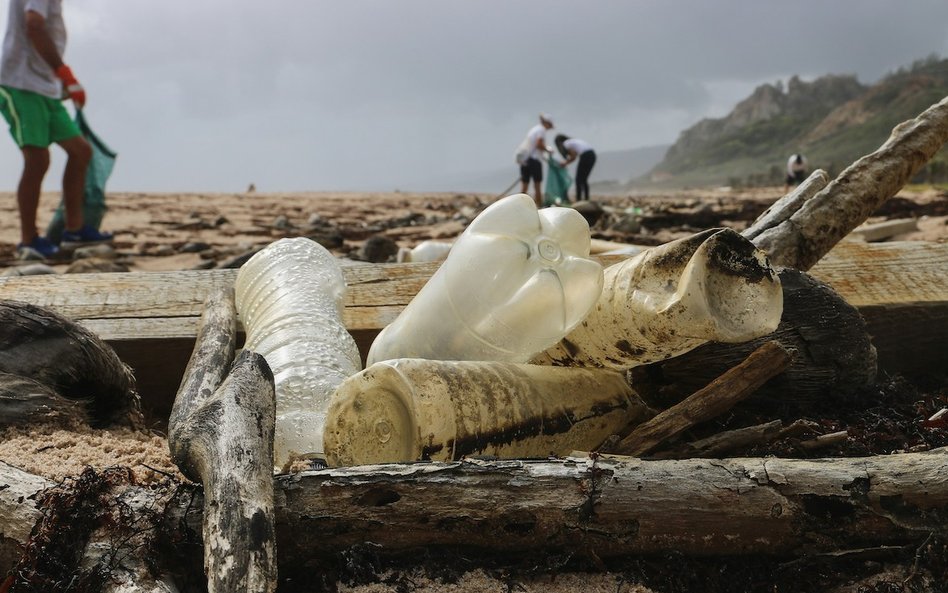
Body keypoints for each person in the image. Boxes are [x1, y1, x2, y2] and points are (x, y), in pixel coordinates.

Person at [0, 0, 112, 258]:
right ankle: (28, 240)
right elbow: (34, 24)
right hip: (19, 81)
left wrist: (58, 82)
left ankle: (75, 230)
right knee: (37, 159)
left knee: (81, 151)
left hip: (44, 85)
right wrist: (65, 73)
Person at [514, 113, 554, 207]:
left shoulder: (534, 129)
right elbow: (539, 144)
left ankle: (519, 206)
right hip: (534, 160)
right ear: (547, 123)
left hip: (526, 160)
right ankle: (539, 206)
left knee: (525, 185)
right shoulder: (541, 130)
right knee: (537, 185)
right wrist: (548, 150)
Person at [554, 134, 597, 201]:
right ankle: (586, 198)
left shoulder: (566, 143)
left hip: (586, 156)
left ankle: (578, 199)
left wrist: (565, 163)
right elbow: (574, 156)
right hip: (592, 155)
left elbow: (573, 156)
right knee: (584, 179)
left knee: (578, 179)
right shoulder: (572, 141)